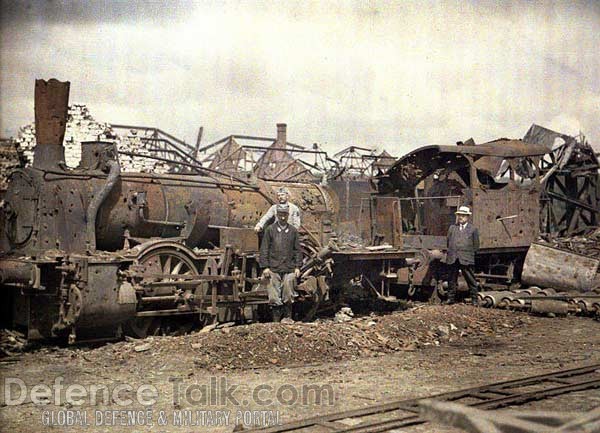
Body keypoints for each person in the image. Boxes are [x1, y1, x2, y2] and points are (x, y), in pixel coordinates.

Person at [259, 204, 303, 321]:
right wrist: (265, 267)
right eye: (280, 215)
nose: (282, 218)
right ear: (277, 215)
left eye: (285, 215)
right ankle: (276, 320)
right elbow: (264, 249)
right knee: (274, 295)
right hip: (274, 267)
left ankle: (288, 317)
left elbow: (298, 250)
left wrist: (298, 266)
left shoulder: (293, 231)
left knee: (288, 292)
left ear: (288, 216)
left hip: (289, 267)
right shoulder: (270, 230)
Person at [445, 205, 480, 305]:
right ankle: (450, 298)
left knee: (470, 279)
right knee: (451, 279)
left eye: (463, 215)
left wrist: (467, 254)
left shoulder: (473, 229)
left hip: (466, 258)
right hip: (453, 257)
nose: (461, 217)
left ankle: (474, 299)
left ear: (467, 217)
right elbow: (448, 242)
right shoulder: (452, 228)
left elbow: (476, 246)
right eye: (459, 215)